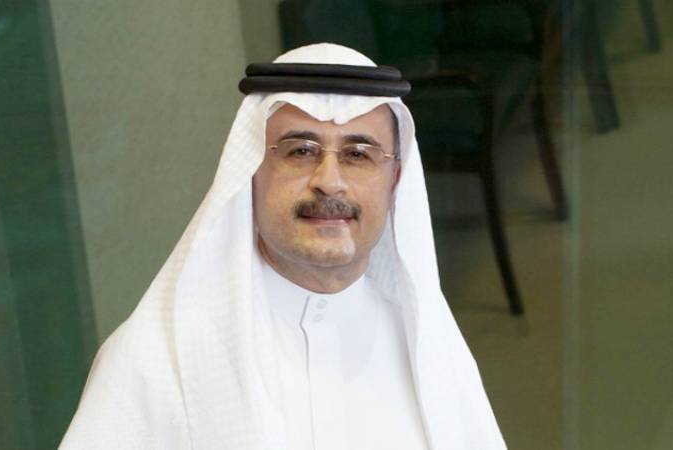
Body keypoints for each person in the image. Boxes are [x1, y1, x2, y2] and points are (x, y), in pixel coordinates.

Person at [60, 43, 506, 450]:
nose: (329, 181)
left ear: (395, 181)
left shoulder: (429, 348)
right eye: (300, 151)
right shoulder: (155, 360)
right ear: (250, 171)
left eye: (358, 154)